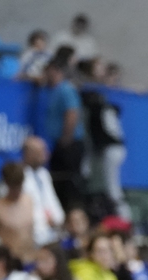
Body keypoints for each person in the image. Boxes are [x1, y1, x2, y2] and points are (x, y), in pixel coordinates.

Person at [43, 55, 86, 210]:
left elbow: (72, 113)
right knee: (58, 182)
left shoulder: (65, 89)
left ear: (55, 71)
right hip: (60, 143)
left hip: (69, 144)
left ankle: (72, 212)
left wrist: (66, 138)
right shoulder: (53, 91)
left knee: (69, 182)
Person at [81, 80, 128, 220]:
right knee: (111, 186)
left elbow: (95, 138)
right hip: (116, 149)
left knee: (112, 187)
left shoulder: (97, 112)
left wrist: (86, 166)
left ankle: (123, 218)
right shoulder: (108, 109)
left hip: (111, 150)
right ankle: (120, 215)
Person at [0, 162, 36, 264]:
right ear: (6, 183)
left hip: (31, 257)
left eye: (19, 186)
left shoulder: (28, 201)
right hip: (10, 262)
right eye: (13, 187)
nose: (17, 191)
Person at [18, 137, 66, 248]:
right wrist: (44, 222)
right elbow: (21, 210)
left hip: (51, 232)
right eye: (42, 151)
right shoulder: (16, 176)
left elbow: (53, 203)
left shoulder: (44, 174)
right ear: (28, 154)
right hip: (31, 234)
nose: (47, 154)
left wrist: (56, 219)